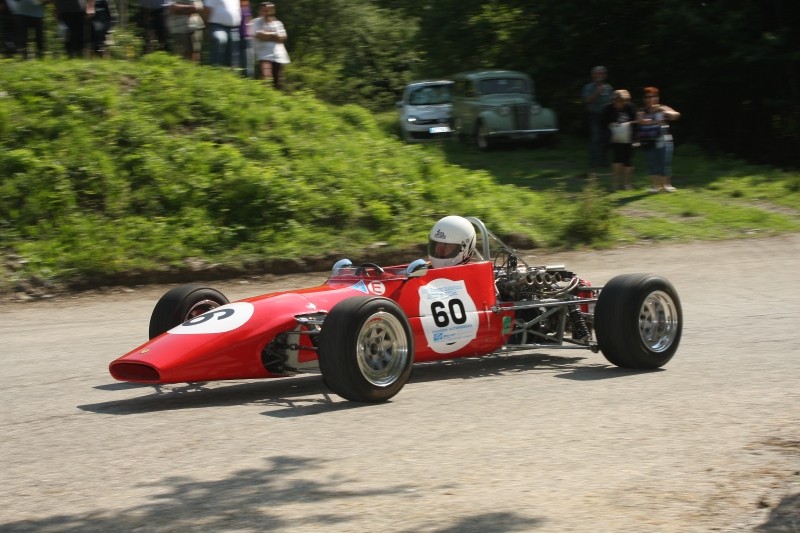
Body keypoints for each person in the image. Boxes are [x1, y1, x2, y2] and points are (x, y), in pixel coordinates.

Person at [637, 86, 681, 192]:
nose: (650, 99)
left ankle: (667, 185)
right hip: (648, 139)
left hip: (663, 138)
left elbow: (676, 115)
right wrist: (656, 122)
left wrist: (663, 111)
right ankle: (656, 186)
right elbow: (640, 121)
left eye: (653, 96)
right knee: (652, 162)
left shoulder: (663, 108)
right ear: (644, 99)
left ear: (657, 97)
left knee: (664, 162)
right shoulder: (642, 110)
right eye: (647, 97)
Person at [602, 89, 637, 190]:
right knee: (617, 159)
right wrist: (610, 125)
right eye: (618, 102)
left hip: (629, 137)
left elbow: (637, 121)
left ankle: (627, 184)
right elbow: (602, 123)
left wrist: (630, 125)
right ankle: (615, 183)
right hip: (615, 137)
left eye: (623, 102)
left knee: (628, 160)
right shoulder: (608, 108)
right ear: (614, 100)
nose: (620, 104)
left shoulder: (631, 107)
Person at [582, 66, 613, 171]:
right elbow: (586, 101)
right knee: (595, 139)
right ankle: (594, 162)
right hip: (594, 116)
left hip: (606, 117)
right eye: (598, 73)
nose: (600, 75)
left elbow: (611, 102)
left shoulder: (609, 88)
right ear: (593, 75)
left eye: (602, 73)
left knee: (606, 139)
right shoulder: (588, 87)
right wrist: (597, 92)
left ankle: (603, 162)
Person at [252, 1, 289, 89]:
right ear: (260, 11)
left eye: (269, 10)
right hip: (264, 56)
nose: (267, 13)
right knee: (266, 79)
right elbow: (259, 35)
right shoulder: (256, 22)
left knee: (278, 83)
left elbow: (283, 38)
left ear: (273, 11)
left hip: (279, 56)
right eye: (264, 10)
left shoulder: (278, 23)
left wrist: (267, 34)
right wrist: (274, 35)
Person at [203, 0, 240, 67]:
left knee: (233, 57)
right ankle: (216, 70)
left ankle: (229, 74)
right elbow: (207, 9)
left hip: (234, 28)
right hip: (218, 26)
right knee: (220, 41)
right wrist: (207, 26)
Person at [238, 0, 253, 77]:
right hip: (238, 38)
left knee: (247, 65)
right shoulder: (236, 8)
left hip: (246, 38)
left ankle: (248, 82)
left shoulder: (246, 9)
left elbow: (249, 22)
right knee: (240, 64)